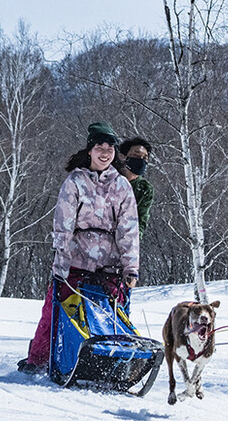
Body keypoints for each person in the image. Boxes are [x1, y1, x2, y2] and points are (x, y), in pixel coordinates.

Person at [17, 121, 140, 374]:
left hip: (110, 265)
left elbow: (128, 230)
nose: (105, 153)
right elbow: (63, 224)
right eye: (99, 147)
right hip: (75, 261)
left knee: (112, 316)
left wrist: (131, 268)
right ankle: (37, 360)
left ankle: (116, 364)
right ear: (90, 150)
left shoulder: (122, 186)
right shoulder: (75, 181)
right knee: (55, 310)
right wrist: (60, 263)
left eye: (110, 148)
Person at [118, 137, 155, 237]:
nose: (141, 160)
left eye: (145, 157)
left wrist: (133, 240)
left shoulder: (145, 188)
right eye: (136, 155)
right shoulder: (109, 179)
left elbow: (141, 220)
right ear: (122, 156)